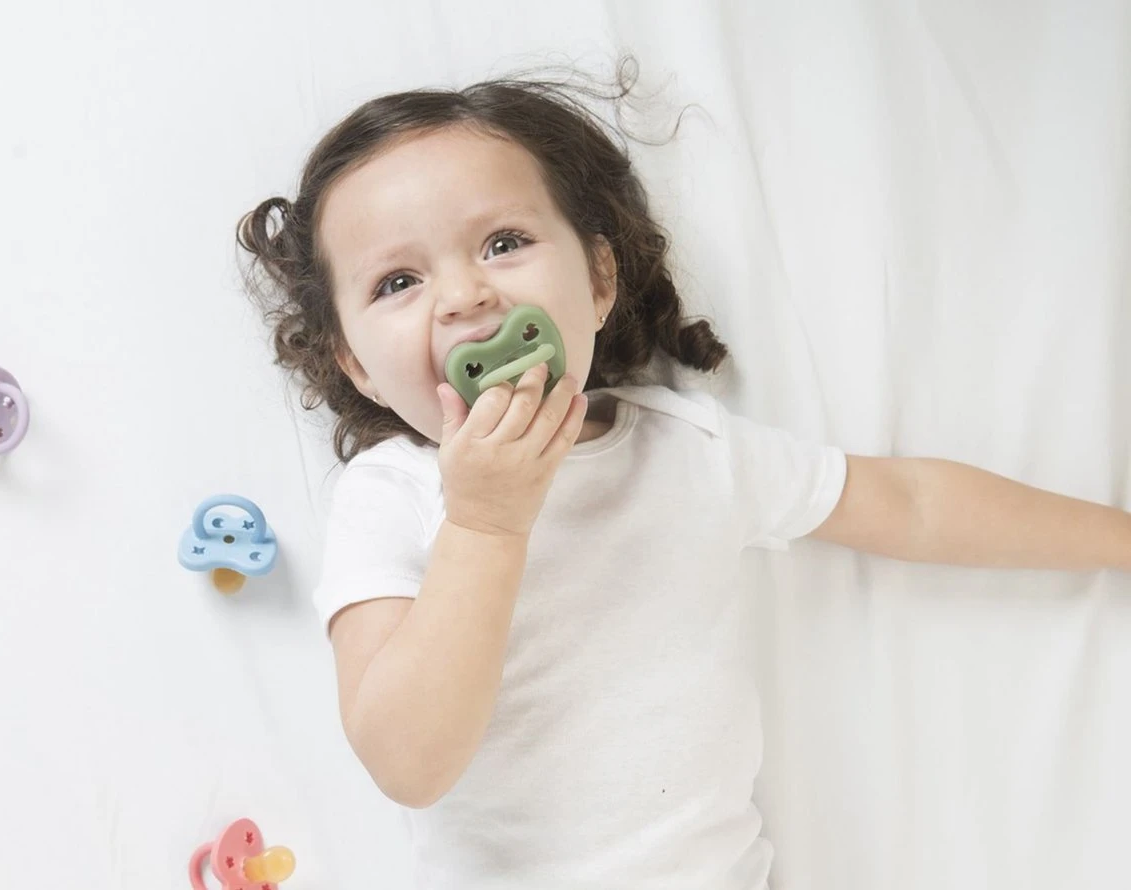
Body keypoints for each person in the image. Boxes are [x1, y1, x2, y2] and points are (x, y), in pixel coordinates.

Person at [236, 58, 1130, 890]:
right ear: (355, 363)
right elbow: (406, 763)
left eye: (503, 242)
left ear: (598, 279)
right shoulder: (391, 498)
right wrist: (484, 524)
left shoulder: (689, 451)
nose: (466, 295)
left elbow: (913, 505)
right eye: (397, 282)